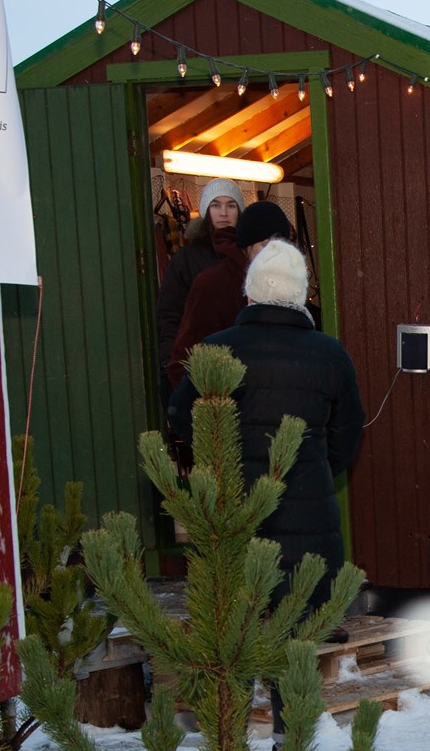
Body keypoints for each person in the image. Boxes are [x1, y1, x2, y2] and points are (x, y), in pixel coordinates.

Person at [168, 239, 363, 613]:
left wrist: (223, 461)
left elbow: (183, 415)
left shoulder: (216, 350)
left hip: (237, 521)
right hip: (312, 524)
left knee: (240, 635)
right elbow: (347, 435)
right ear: (302, 295)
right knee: (307, 638)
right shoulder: (330, 354)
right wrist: (309, 469)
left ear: (250, 293)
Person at [166, 200, 295, 392]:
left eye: (281, 247)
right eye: (265, 245)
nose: (274, 255)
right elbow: (184, 359)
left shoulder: (288, 285)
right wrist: (211, 410)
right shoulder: (213, 284)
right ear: (247, 246)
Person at [155, 181, 242, 399]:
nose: (223, 212)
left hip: (243, 361)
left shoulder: (249, 255)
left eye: (231, 205)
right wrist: (169, 363)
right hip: (200, 362)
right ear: (206, 211)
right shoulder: (186, 260)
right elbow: (171, 313)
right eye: (216, 205)